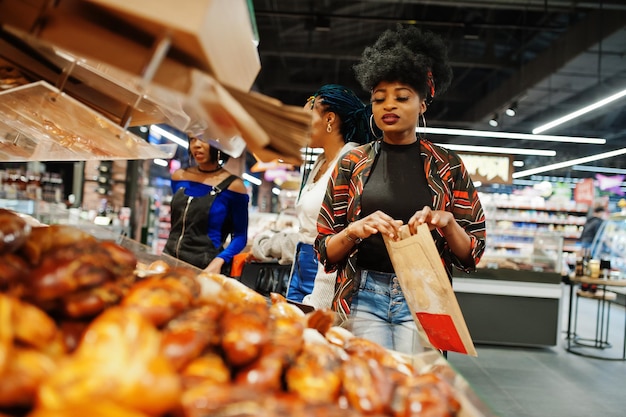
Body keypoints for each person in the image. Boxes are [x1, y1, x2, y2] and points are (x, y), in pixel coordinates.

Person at [315, 25, 486, 354]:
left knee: (414, 395)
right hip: (361, 294)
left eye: (402, 97)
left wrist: (447, 222)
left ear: (423, 103)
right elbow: (324, 247)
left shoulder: (448, 166)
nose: (388, 105)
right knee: (368, 392)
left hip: (425, 296)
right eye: (379, 99)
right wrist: (354, 230)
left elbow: (472, 253)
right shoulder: (352, 162)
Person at [286, 84, 374, 307]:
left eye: (307, 117)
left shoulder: (353, 161)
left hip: (326, 272)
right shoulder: (321, 162)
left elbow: (344, 232)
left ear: (329, 119)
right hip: (301, 269)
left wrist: (323, 299)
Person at [163, 134, 249, 274]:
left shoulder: (234, 186)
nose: (196, 144)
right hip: (170, 261)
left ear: (219, 144)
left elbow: (240, 236)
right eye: (192, 139)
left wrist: (219, 261)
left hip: (206, 268)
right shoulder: (179, 176)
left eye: (203, 138)